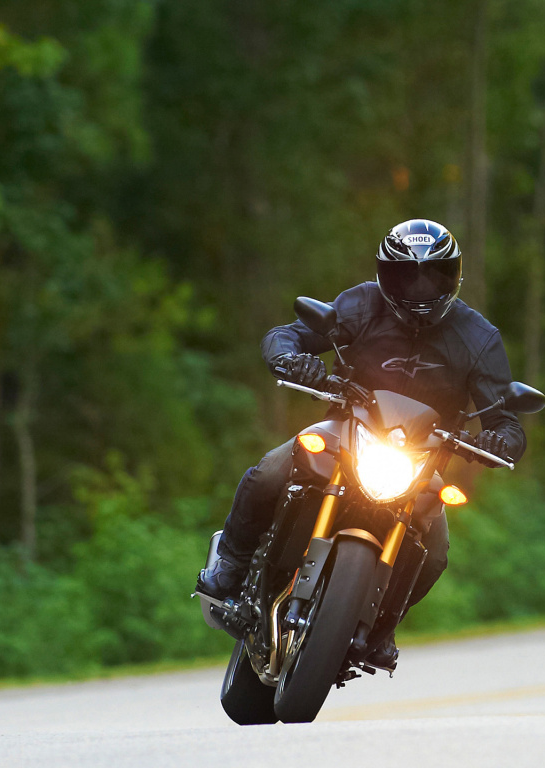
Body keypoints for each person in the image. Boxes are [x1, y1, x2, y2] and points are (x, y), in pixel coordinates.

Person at [197, 219, 527, 657]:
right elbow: (287, 335)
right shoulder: (361, 304)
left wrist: (501, 440)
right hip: (346, 432)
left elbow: (507, 420)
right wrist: (291, 359)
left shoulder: (478, 337)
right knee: (272, 470)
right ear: (385, 273)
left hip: (420, 461)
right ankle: (230, 567)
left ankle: (381, 628)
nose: (420, 287)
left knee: (435, 552)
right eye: (407, 274)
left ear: (454, 276)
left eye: (432, 275)